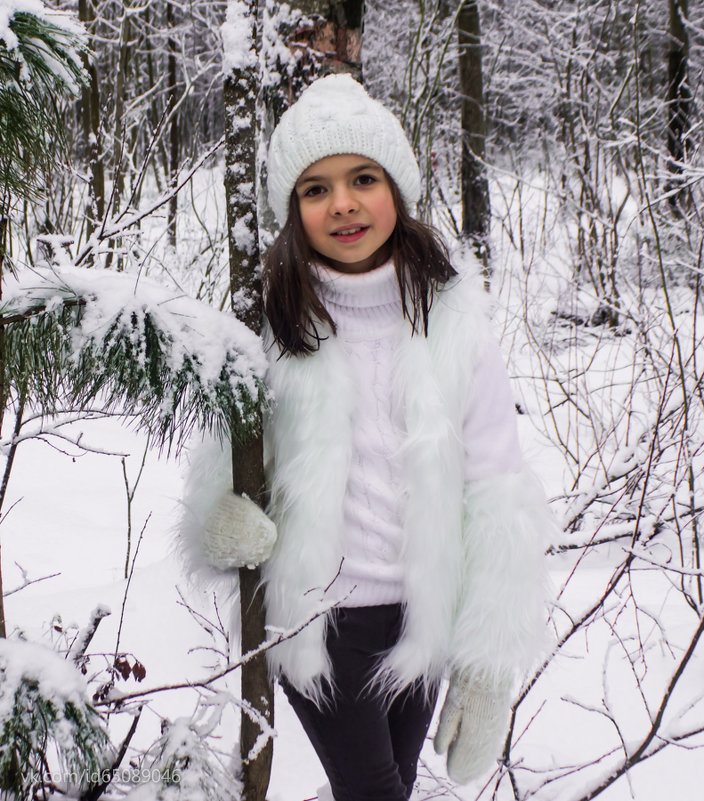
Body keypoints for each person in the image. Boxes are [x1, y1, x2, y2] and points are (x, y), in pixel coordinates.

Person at [178, 73, 552, 801]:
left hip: (423, 607)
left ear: (397, 190)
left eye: (361, 179)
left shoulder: (452, 318)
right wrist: (220, 519)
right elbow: (222, 476)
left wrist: (485, 660)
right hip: (317, 616)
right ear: (294, 211)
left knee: (395, 784)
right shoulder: (275, 326)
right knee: (376, 791)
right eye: (315, 189)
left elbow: (497, 486)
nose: (342, 203)